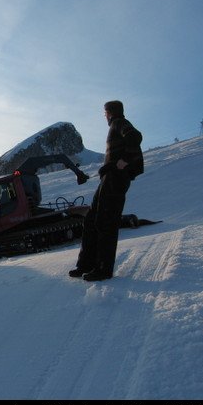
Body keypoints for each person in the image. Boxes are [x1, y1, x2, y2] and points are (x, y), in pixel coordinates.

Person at [69, 100, 143, 281]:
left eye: (104, 113)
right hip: (108, 178)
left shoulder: (119, 122)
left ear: (109, 112)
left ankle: (103, 269)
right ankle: (86, 264)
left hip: (116, 178)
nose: (104, 116)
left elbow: (135, 136)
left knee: (106, 221)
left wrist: (124, 160)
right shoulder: (116, 125)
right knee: (92, 218)